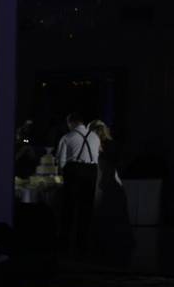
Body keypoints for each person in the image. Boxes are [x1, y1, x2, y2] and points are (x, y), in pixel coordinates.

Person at [88, 120, 133, 263]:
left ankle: (105, 242)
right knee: (112, 210)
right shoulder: (109, 144)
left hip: (105, 178)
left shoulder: (102, 145)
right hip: (110, 179)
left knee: (104, 209)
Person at [56, 112, 100, 253]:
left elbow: (61, 161)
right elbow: (96, 157)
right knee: (86, 208)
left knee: (68, 207)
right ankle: (82, 243)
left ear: (71, 123)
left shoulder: (67, 137)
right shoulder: (95, 136)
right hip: (91, 171)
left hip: (74, 171)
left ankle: (64, 242)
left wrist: (63, 174)